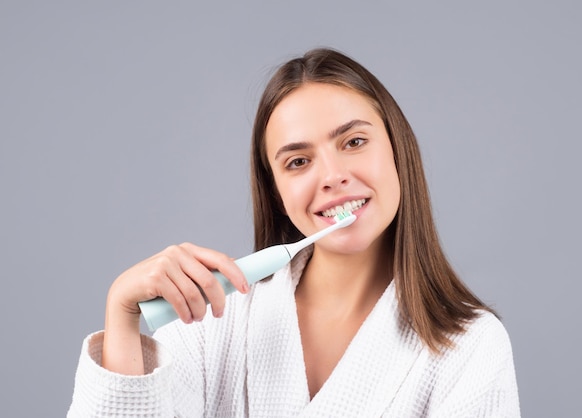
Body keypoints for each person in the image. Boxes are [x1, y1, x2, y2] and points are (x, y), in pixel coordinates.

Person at [68, 48, 520, 417]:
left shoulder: (472, 348)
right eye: (298, 162)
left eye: (354, 142)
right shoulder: (211, 319)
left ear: (398, 149)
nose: (332, 176)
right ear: (277, 189)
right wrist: (122, 318)